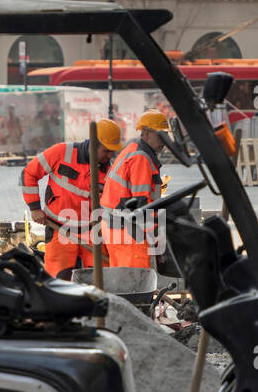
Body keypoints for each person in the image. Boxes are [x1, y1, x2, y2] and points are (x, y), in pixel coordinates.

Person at [22, 119, 123, 279]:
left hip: (92, 231)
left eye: (113, 151)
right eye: (107, 150)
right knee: (58, 280)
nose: (110, 155)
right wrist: (34, 208)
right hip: (58, 228)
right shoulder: (61, 152)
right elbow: (29, 173)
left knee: (102, 280)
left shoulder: (111, 171)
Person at [100, 111, 168, 269]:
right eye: (161, 135)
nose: (164, 141)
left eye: (165, 135)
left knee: (121, 284)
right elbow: (141, 204)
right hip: (129, 232)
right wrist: (155, 234)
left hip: (115, 228)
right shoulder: (141, 158)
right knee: (136, 282)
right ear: (147, 133)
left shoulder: (132, 149)